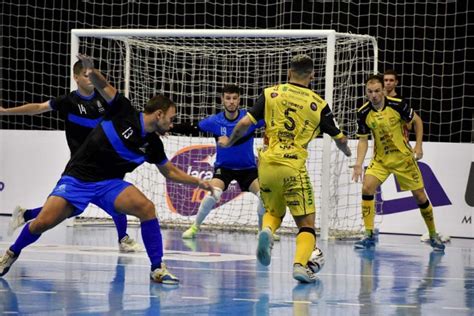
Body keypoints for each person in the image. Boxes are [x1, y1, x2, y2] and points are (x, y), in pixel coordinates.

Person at [0, 54, 214, 284]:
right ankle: (11, 254)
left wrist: (198, 182)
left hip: (109, 184)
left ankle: (157, 268)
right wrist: (92, 72)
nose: (172, 124)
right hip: (77, 178)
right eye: (171, 119)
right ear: (159, 114)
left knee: (147, 208)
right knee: (42, 223)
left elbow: (170, 171)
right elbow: (103, 85)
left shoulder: (153, 144)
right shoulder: (123, 110)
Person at [218, 54, 352, 283]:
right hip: (293, 166)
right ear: (312, 76)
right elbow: (339, 139)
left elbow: (243, 124)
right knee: (306, 223)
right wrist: (347, 152)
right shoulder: (318, 104)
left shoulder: (271, 93)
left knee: (273, 212)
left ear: (289, 72)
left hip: (267, 166)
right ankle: (300, 266)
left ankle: (267, 232)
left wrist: (229, 142)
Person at [0, 60, 143, 253]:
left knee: (116, 200)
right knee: (67, 210)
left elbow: (129, 117)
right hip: (80, 166)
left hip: (106, 162)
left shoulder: (105, 100)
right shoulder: (67, 102)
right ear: (76, 78)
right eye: (86, 75)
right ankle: (25, 221)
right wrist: (7, 112)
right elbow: (38, 107)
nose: (91, 78)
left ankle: (123, 238)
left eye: (93, 75)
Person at [351, 74, 445, 252]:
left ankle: (433, 235)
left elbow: (417, 121)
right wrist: (358, 163)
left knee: (420, 196)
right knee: (367, 187)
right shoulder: (363, 112)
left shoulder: (397, 105)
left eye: (377, 91)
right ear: (366, 92)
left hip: (403, 160)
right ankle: (368, 234)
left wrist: (418, 146)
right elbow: (363, 140)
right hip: (381, 161)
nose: (374, 95)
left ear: (383, 91)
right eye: (370, 92)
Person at [173, 84, 274, 240]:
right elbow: (193, 127)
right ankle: (195, 227)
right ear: (222, 100)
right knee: (213, 193)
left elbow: (272, 121)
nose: (231, 102)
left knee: (264, 197)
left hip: (248, 169)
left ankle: (262, 232)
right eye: (228, 98)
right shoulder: (215, 121)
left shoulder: (249, 119)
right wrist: (169, 127)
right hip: (224, 169)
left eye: (234, 98)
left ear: (239, 100)